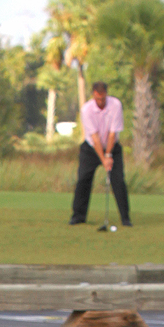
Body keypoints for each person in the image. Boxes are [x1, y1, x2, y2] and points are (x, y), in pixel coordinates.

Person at [68, 81, 132, 226]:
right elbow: (95, 138)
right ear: (93, 95)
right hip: (90, 149)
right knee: (83, 179)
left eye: (103, 98)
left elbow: (112, 134)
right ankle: (78, 216)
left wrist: (108, 156)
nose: (100, 102)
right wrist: (103, 159)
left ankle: (125, 218)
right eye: (97, 99)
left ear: (106, 95)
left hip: (112, 147)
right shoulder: (86, 110)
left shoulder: (115, 105)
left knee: (118, 181)